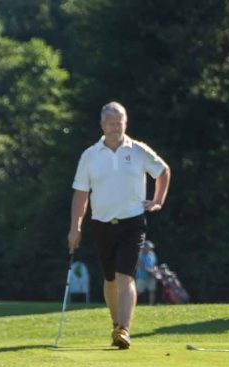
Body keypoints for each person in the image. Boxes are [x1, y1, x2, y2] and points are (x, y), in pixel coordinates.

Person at [68, 102, 171, 349]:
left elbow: (163, 171)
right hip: (102, 223)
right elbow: (81, 194)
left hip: (132, 222)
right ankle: (116, 325)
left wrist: (158, 201)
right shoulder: (90, 155)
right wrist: (75, 227)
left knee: (126, 276)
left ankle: (124, 329)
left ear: (125, 123)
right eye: (111, 123)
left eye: (120, 123)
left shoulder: (137, 150)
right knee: (110, 279)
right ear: (102, 125)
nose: (116, 128)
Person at [135, 240, 159, 305]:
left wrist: (155, 270)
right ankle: (131, 304)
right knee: (138, 292)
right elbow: (141, 266)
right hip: (141, 277)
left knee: (152, 290)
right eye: (148, 247)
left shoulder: (152, 254)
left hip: (151, 276)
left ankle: (151, 305)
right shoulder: (139, 255)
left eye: (150, 247)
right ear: (144, 247)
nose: (150, 248)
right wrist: (151, 271)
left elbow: (155, 264)